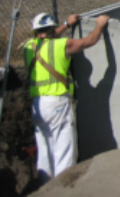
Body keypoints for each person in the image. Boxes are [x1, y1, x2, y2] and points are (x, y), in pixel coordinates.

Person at [24, 12, 110, 184]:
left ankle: (45, 188)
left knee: (45, 149)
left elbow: (49, 37)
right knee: (64, 150)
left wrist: (67, 24)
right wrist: (100, 25)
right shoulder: (62, 45)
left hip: (37, 105)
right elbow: (90, 41)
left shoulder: (29, 46)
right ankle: (62, 189)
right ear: (51, 29)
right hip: (57, 104)